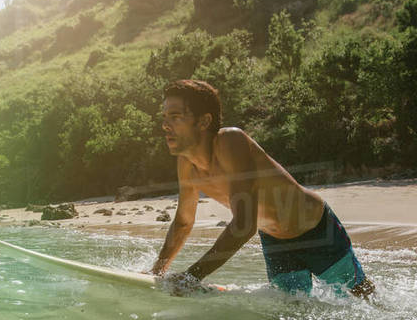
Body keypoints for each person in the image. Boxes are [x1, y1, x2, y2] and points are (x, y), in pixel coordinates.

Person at [150, 79, 374, 299]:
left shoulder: (230, 142)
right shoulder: (186, 164)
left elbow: (244, 224)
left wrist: (192, 276)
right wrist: (157, 271)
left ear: (204, 121)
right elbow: (183, 222)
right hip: (276, 242)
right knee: (292, 312)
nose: (165, 125)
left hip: (316, 231)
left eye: (176, 117)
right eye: (165, 117)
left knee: (362, 302)